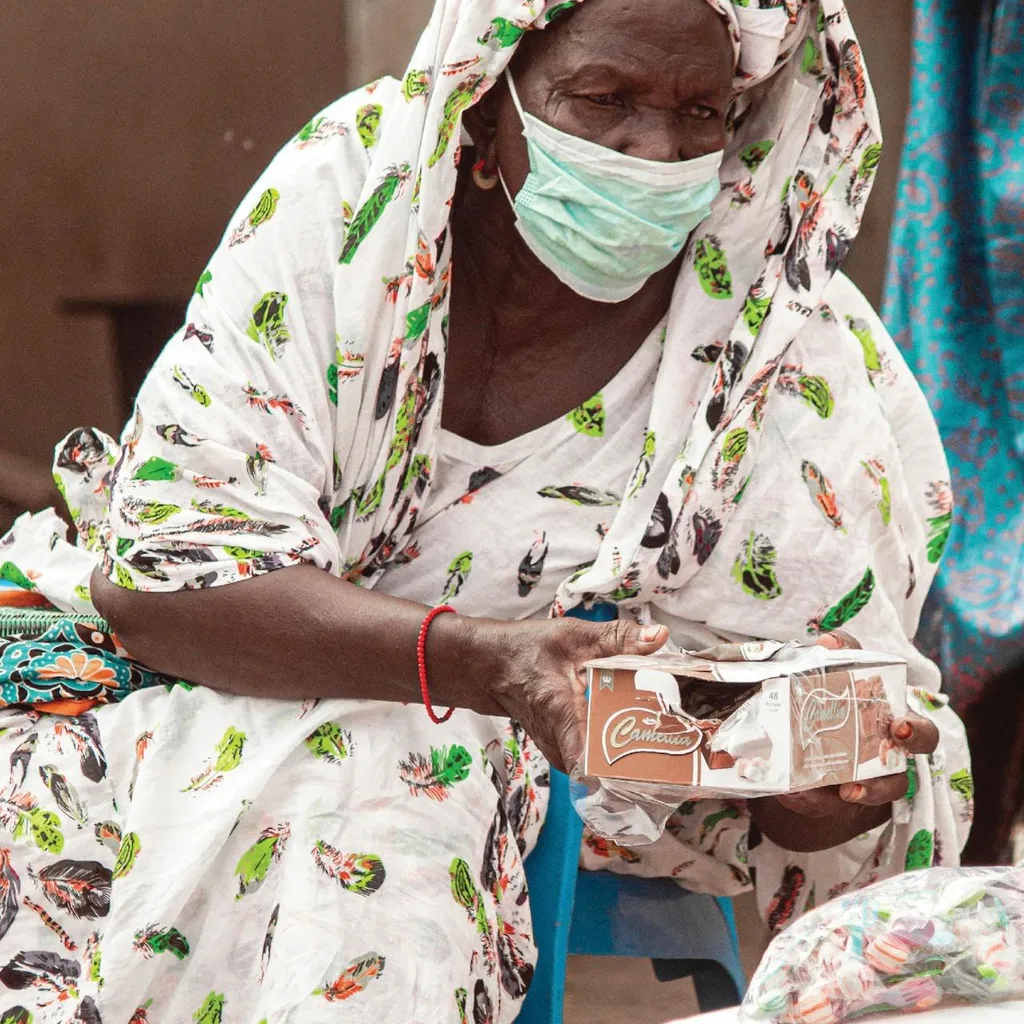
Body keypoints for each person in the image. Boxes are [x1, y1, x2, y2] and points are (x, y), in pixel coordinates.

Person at [0, 0, 971, 1019]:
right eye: (605, 100)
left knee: (391, 781)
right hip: (228, 676)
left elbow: (789, 765)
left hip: (558, 787)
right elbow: (169, 585)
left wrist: (813, 791)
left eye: (700, 111)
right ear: (493, 86)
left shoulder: (779, 346)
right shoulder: (350, 203)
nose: (654, 151)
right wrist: (481, 662)